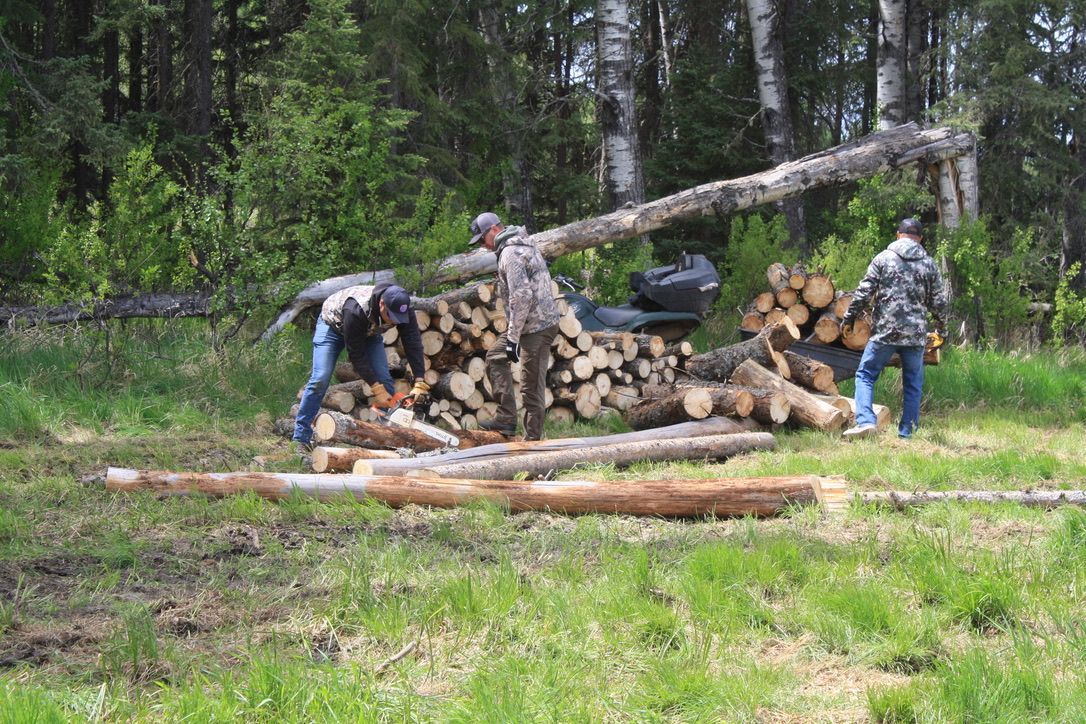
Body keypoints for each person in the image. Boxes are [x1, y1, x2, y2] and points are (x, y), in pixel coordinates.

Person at [841, 217, 948, 440]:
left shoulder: (883, 258)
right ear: (920, 238)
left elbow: (863, 292)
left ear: (898, 235)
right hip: (915, 335)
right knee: (912, 383)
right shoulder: (929, 264)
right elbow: (939, 302)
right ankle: (908, 433)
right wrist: (942, 330)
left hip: (885, 332)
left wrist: (849, 318)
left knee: (866, 374)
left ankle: (866, 422)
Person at [292, 283, 430, 449]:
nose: (394, 321)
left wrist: (420, 380)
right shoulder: (355, 309)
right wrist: (375, 388)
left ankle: (390, 440)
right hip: (332, 326)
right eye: (390, 316)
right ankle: (301, 437)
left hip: (369, 331)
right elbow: (356, 355)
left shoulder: (402, 308)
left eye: (397, 318)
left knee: (385, 380)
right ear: (381, 304)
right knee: (320, 378)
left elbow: (412, 342)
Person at [468, 211, 561, 440]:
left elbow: (522, 298)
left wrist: (512, 338)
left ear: (493, 230)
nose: (483, 245)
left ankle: (532, 443)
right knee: (495, 357)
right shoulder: (522, 243)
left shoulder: (510, 252)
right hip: (530, 324)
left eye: (482, 239)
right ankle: (507, 418)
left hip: (537, 327)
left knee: (531, 388)